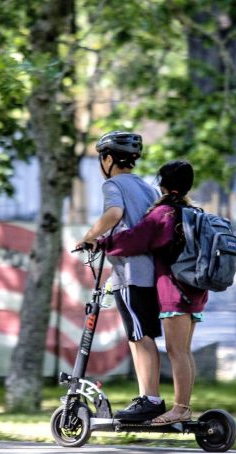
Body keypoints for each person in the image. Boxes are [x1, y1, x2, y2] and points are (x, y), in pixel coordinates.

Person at [98, 160, 208, 425]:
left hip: (174, 291)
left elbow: (136, 239)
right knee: (184, 350)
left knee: (176, 351)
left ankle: (180, 408)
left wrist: (102, 242)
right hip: (195, 290)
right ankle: (182, 406)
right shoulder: (191, 211)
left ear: (163, 183)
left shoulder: (165, 214)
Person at [76, 130, 164, 422]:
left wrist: (89, 235)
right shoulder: (147, 188)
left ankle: (151, 399)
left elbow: (114, 214)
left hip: (131, 272)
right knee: (139, 335)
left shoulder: (113, 184)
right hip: (149, 272)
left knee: (141, 337)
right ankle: (145, 397)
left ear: (109, 159)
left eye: (102, 158)